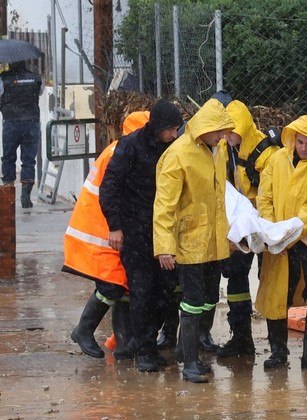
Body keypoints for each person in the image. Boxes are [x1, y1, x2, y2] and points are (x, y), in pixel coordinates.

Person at [153, 98, 234, 383]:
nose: (223, 136)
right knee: (192, 300)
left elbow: (220, 198)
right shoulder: (178, 155)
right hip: (189, 243)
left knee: (208, 298)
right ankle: (189, 362)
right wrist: (164, 247)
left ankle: (189, 355)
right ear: (206, 129)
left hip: (212, 242)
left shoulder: (216, 150)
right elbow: (165, 205)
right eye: (220, 131)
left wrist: (228, 235)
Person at [99, 100, 184, 373]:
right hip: (135, 230)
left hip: (163, 230)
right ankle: (144, 350)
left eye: (176, 129)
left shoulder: (174, 148)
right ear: (157, 126)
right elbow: (110, 185)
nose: (174, 134)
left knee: (166, 290)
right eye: (170, 129)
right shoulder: (131, 146)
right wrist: (115, 226)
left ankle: (147, 343)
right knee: (142, 291)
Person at [255, 110, 307, 372]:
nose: (304, 148)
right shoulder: (277, 159)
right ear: (293, 138)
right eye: (300, 142)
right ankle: (278, 353)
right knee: (276, 294)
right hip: (279, 239)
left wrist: (289, 229)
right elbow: (264, 196)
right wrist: (271, 228)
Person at [63, 111, 150, 360]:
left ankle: (122, 344)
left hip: (101, 231)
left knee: (122, 285)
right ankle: (84, 329)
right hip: (100, 233)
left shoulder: (118, 150)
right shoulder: (121, 153)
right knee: (111, 285)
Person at [217, 99, 281, 358]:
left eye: (231, 132)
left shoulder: (267, 153)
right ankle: (241, 338)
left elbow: (270, 195)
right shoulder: (224, 149)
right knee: (235, 277)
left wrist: (264, 228)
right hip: (240, 225)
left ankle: (278, 346)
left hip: (264, 224)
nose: (227, 136)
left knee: (270, 282)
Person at [0, 61, 43, 208]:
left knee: (8, 157)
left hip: (11, 123)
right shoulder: (36, 77)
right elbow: (40, 92)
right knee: (29, 160)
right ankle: (26, 195)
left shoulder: (4, 79)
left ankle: (8, 193)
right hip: (32, 122)